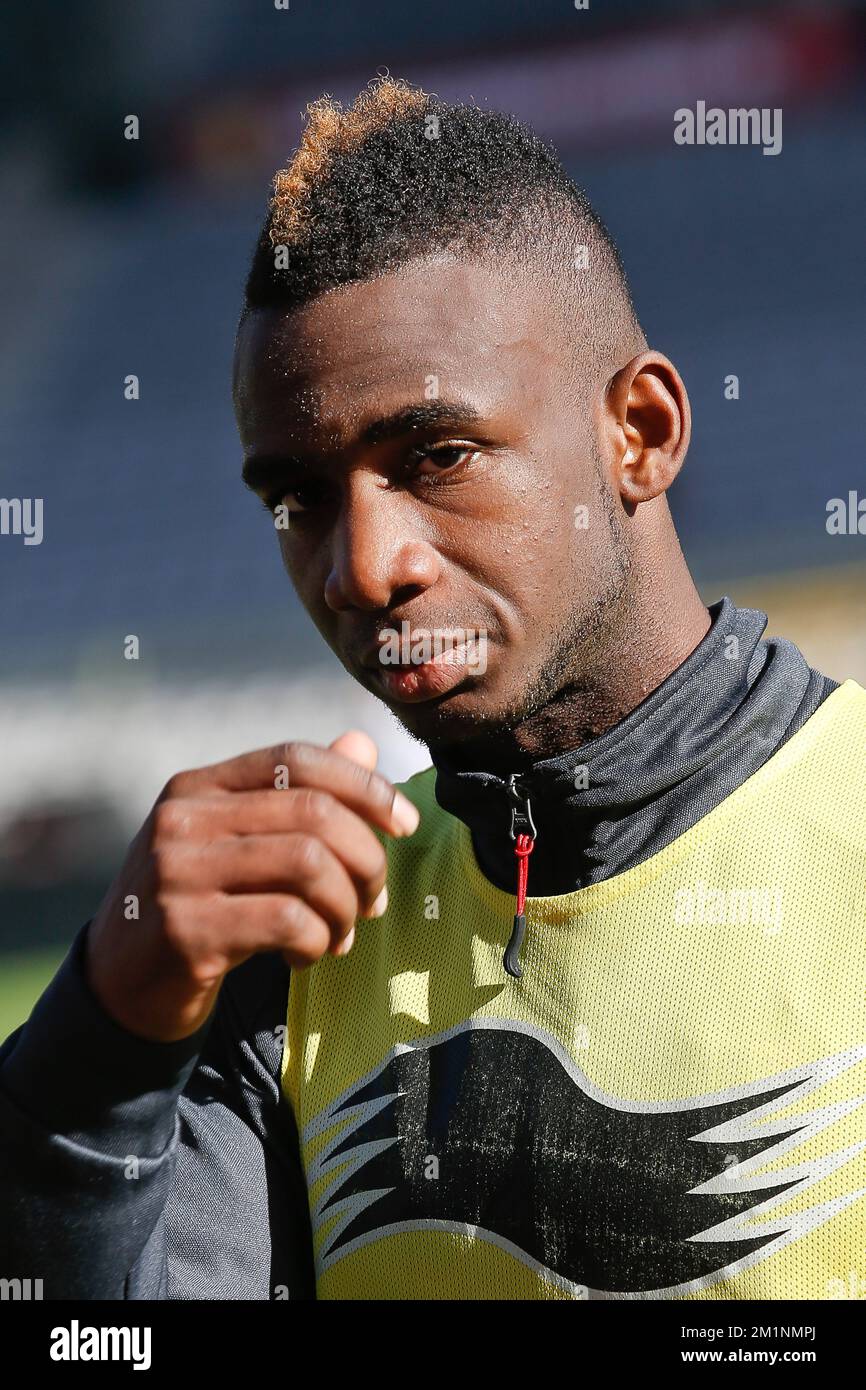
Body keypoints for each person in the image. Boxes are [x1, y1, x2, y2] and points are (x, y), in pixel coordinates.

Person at [2, 77, 864, 1301]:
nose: (362, 567)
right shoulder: (290, 964)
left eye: (436, 456)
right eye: (297, 498)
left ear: (640, 431)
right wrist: (104, 1040)